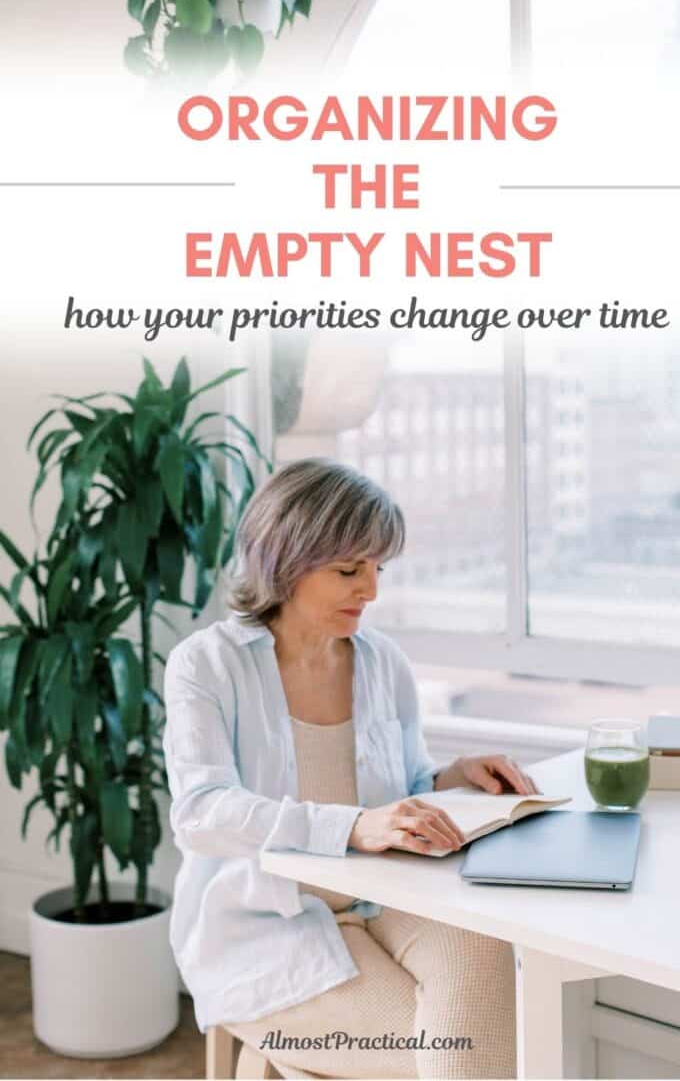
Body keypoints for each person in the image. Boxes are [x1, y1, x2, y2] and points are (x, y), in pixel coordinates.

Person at [163, 458, 539, 1080]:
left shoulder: (383, 662)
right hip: (263, 930)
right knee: (448, 1054)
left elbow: (404, 788)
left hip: (384, 901)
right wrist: (349, 827)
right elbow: (201, 813)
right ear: (285, 560)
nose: (371, 590)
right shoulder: (206, 665)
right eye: (349, 570)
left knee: (487, 955)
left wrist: (454, 777)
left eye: (377, 568)